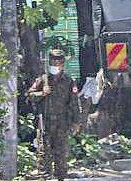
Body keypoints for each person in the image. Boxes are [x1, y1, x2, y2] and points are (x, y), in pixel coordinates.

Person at [26, 49, 80, 181]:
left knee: (61, 154)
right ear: (49, 62)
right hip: (45, 122)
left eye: (59, 62)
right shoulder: (43, 80)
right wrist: (42, 93)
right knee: (44, 153)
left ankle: (60, 177)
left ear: (63, 64)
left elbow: (74, 103)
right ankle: (45, 177)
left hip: (62, 123)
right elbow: (29, 95)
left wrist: (76, 122)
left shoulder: (68, 81)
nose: (56, 64)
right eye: (53, 61)